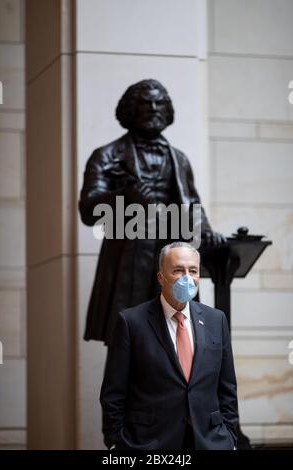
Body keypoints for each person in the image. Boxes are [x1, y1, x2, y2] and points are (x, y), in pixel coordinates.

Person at [79, 79, 225, 345]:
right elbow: (88, 209)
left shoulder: (178, 159)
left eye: (160, 103)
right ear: (130, 109)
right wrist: (123, 196)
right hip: (128, 256)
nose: (154, 108)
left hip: (172, 255)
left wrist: (206, 233)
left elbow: (192, 205)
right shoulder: (107, 155)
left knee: (177, 332)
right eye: (146, 103)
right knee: (127, 338)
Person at [100, 242, 238, 450]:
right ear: (160, 277)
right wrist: (116, 442)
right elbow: (114, 393)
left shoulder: (216, 320)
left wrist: (230, 438)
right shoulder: (131, 322)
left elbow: (227, 388)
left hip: (209, 442)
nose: (187, 277)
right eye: (177, 270)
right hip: (150, 444)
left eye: (193, 270)